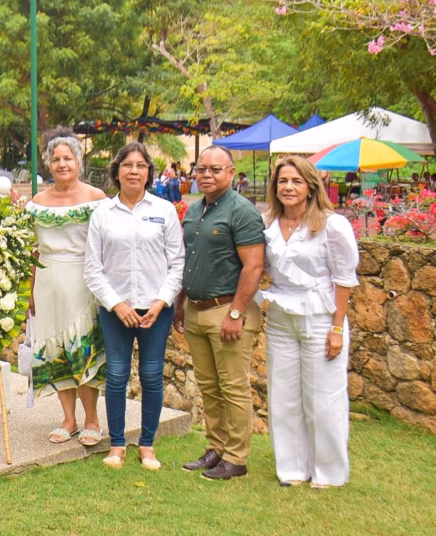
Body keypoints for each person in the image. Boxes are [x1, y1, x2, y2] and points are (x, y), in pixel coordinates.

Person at [256, 156, 358, 488]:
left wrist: (337, 328)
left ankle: (329, 472)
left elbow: (344, 279)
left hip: (321, 318)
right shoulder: (268, 226)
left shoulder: (332, 225)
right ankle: (292, 469)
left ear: (311, 186)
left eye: (296, 181)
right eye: (283, 181)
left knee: (324, 398)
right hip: (282, 317)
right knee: (284, 397)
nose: (288, 187)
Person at [84, 142, 184, 470]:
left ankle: (147, 445)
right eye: (127, 165)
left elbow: (177, 263)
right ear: (117, 171)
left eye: (141, 165)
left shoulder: (164, 211)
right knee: (115, 374)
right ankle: (116, 445)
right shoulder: (102, 213)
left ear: (149, 173)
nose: (134, 171)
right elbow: (93, 269)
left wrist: (160, 302)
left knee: (152, 375)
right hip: (116, 310)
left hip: (157, 308)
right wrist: (117, 304)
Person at [174, 145, 265, 481]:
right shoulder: (195, 210)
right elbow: (189, 261)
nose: (207, 175)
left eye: (216, 169)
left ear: (230, 172)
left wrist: (237, 313)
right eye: (202, 169)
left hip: (227, 309)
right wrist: (181, 302)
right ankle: (216, 447)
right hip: (197, 311)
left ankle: (236, 458)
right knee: (209, 386)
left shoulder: (241, 212)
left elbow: (253, 267)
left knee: (233, 387)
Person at [24, 128, 107, 446]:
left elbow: (106, 246)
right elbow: (31, 249)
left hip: (83, 284)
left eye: (67, 158)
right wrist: (28, 291)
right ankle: (68, 418)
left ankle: (92, 418)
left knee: (83, 351)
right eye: (55, 158)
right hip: (47, 284)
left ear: (78, 161)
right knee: (56, 351)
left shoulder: (96, 199)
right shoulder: (37, 202)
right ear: (48, 163)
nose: (61, 164)